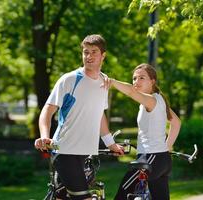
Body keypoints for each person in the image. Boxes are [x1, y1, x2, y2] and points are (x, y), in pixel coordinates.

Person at [34, 34, 124, 200]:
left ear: (103, 55)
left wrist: (111, 144)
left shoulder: (104, 82)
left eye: (94, 52)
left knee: (61, 197)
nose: (88, 56)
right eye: (85, 52)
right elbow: (47, 111)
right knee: (84, 197)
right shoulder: (69, 80)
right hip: (64, 150)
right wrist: (45, 137)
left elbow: (100, 116)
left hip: (85, 154)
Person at [104, 63, 181, 200]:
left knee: (121, 195)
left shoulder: (151, 100)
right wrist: (166, 147)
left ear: (152, 81)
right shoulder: (158, 99)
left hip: (150, 159)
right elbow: (176, 122)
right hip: (161, 160)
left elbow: (131, 92)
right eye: (134, 78)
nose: (136, 82)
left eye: (141, 78)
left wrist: (113, 82)